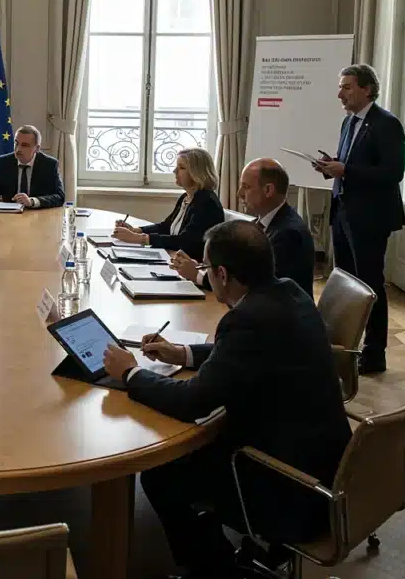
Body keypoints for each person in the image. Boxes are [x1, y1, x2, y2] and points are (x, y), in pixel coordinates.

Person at [103, 221, 351, 579]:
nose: (203, 273)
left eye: (205, 268)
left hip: (289, 486)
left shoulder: (246, 320)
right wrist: (182, 353)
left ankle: (213, 569)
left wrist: (130, 373)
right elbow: (246, 354)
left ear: (222, 274)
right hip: (327, 465)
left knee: (161, 473)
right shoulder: (290, 293)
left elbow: (193, 402)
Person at [312, 64, 405, 374]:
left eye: (347, 87)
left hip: (370, 217)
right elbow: (348, 163)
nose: (340, 93)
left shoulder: (386, 124)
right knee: (347, 283)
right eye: (340, 87)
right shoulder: (349, 121)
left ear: (367, 89)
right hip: (343, 210)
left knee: (370, 284)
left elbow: (393, 173)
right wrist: (331, 167)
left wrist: (346, 170)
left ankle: (374, 353)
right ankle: (345, 346)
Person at [171, 158, 315, 297]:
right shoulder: (264, 222)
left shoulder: (288, 234)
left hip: (280, 318)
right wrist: (205, 268)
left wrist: (197, 275)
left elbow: (256, 287)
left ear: (268, 190)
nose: (239, 194)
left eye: (246, 187)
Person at [113, 147, 224, 259]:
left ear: (197, 173)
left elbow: (186, 242)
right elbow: (166, 226)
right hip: (174, 256)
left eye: (181, 168)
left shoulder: (207, 203)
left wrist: (140, 238)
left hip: (190, 265)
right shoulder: (186, 197)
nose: (174, 171)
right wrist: (136, 230)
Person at [0, 124, 65, 208]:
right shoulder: (4, 162)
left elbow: (59, 197)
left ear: (37, 148)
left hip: (39, 216)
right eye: (16, 143)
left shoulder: (49, 164)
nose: (18, 149)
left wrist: (32, 201)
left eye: (24, 145)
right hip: (9, 216)